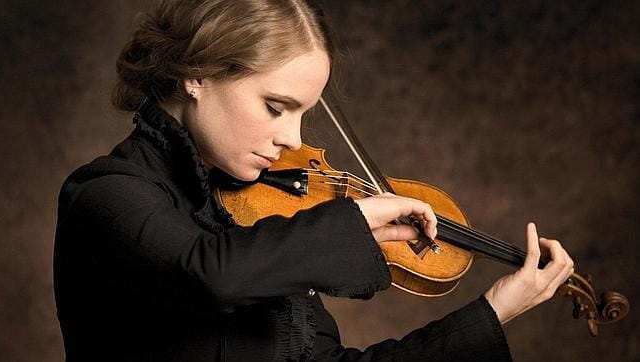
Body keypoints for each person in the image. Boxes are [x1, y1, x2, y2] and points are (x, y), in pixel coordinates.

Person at [53, 0, 575, 361]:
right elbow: (209, 277)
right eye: (276, 107)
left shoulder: (263, 227)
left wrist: (495, 311)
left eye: (303, 113)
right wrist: (348, 221)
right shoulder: (105, 196)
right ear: (198, 75)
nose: (292, 139)